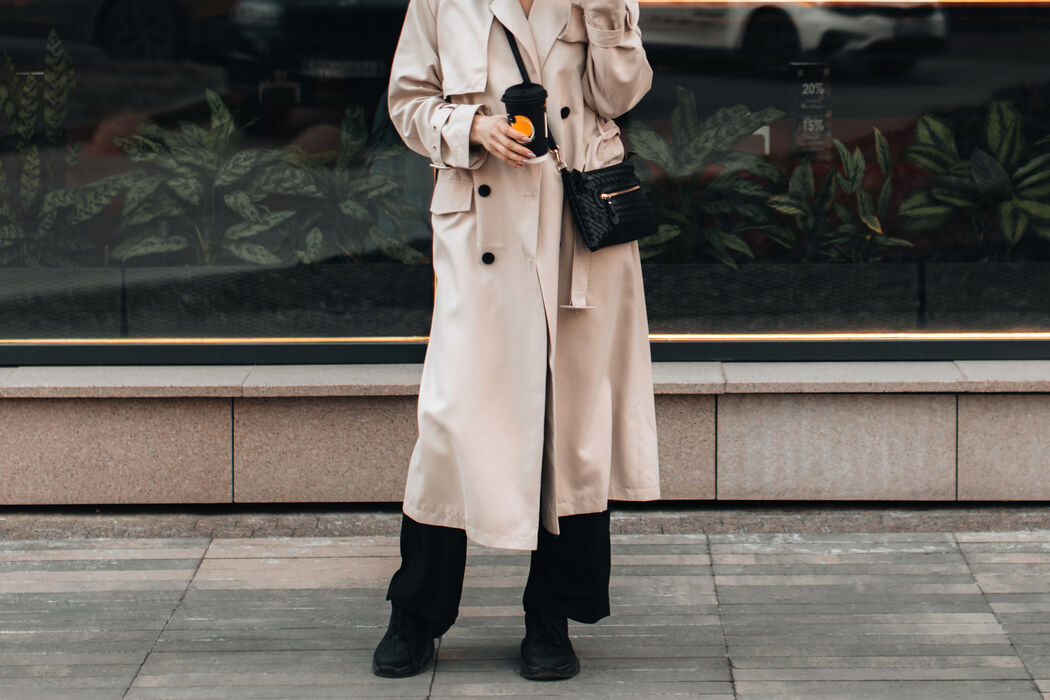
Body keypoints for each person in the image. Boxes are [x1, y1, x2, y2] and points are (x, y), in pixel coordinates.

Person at [373, 0, 660, 681]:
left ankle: (550, 615)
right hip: (483, 230)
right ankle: (416, 613)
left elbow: (620, 96)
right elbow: (408, 102)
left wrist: (607, 15)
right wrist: (470, 126)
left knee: (572, 426)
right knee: (451, 422)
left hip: (576, 229)